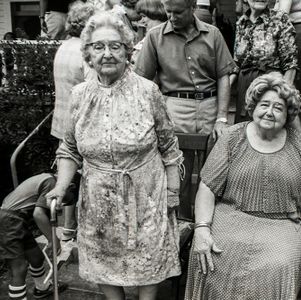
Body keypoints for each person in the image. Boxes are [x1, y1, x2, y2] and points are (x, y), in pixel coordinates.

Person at [45, 11, 183, 300]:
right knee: (103, 263)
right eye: (99, 47)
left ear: (127, 51)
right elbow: (69, 149)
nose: (107, 53)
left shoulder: (148, 92)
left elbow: (170, 148)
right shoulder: (80, 95)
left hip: (146, 195)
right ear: (88, 54)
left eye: (115, 46)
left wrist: (172, 192)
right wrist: (60, 186)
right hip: (97, 198)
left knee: (149, 260)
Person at [184, 73, 301, 299]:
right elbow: (207, 187)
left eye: (278, 108)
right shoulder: (231, 137)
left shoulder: (298, 143)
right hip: (231, 217)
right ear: (253, 107)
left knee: (279, 265)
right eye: (264, 104)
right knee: (210, 256)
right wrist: (202, 228)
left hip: (283, 223)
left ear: (287, 115)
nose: (269, 112)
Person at [134, 0, 236, 219]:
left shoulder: (213, 34)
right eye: (168, 12)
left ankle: (207, 225)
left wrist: (222, 118)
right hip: (174, 107)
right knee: (178, 173)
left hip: (210, 106)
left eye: (178, 12)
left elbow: (223, 77)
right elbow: (141, 81)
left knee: (212, 173)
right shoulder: (155, 37)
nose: (172, 17)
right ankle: (180, 226)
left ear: (192, 8)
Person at [51, 2, 96, 242]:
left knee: (66, 174)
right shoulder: (84, 51)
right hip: (80, 124)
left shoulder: (63, 47)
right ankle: (76, 227)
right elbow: (92, 89)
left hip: (61, 120)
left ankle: (67, 227)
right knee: (81, 176)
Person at [0, 173, 68, 299]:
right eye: (68, 199)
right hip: (9, 220)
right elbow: (38, 215)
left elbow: (46, 214)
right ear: (71, 185)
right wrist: (54, 240)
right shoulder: (52, 183)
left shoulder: (49, 179)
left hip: (17, 219)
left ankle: (42, 288)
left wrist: (51, 237)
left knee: (36, 257)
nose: (65, 202)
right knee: (19, 268)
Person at [230, 0, 297, 123]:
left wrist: (283, 95)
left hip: (271, 86)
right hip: (245, 87)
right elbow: (237, 63)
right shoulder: (241, 23)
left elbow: (291, 64)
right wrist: (224, 89)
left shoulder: (279, 19)